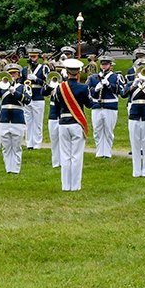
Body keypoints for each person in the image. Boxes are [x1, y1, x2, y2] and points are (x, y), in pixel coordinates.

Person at [53, 58, 91, 191]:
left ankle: (65, 186)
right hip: (76, 123)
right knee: (76, 156)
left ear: (67, 72)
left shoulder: (60, 88)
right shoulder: (83, 88)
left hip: (63, 123)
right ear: (78, 72)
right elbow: (89, 104)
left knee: (65, 156)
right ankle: (75, 186)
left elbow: (56, 106)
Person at [87, 55, 123, 158]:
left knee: (108, 130)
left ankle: (107, 152)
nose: (104, 66)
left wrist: (108, 85)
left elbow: (119, 91)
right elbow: (89, 93)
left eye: (106, 64)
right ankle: (99, 152)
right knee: (97, 130)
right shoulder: (94, 78)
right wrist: (96, 89)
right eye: (102, 64)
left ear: (110, 66)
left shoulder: (116, 77)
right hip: (97, 106)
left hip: (110, 106)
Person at [0, 64, 28, 174]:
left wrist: (15, 92)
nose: (12, 75)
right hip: (4, 118)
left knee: (16, 146)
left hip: (17, 119)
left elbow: (27, 100)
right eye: (10, 73)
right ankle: (8, 169)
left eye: (14, 73)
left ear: (19, 75)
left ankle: (15, 169)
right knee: (5, 147)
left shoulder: (22, 87)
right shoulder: (2, 86)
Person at [22, 49, 47, 150]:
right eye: (30, 57)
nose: (32, 59)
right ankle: (29, 143)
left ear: (38, 57)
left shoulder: (43, 68)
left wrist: (36, 79)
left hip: (38, 97)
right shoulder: (25, 69)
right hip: (28, 98)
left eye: (34, 57)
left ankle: (37, 144)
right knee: (28, 122)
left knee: (37, 122)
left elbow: (47, 83)